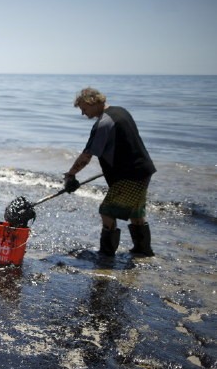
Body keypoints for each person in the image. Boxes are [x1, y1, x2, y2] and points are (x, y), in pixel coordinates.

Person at [64, 87, 156, 257]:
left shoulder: (104, 123)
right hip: (143, 169)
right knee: (135, 212)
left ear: (93, 102)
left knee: (107, 210)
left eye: (84, 109)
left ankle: (106, 254)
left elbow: (86, 156)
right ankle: (143, 250)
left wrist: (71, 175)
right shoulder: (121, 112)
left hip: (130, 174)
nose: (83, 114)